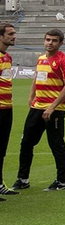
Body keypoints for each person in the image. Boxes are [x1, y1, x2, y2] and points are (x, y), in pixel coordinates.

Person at [14, 28, 65, 192]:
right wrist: (31, 96)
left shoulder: (64, 60)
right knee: (26, 142)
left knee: (56, 145)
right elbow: (36, 78)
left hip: (54, 110)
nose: (50, 43)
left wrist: (52, 107)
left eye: (54, 40)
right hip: (36, 108)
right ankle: (23, 179)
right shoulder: (41, 59)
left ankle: (62, 181)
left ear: (60, 43)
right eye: (48, 40)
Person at [0, 23, 16, 198]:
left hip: (7, 108)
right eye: (10, 34)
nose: (14, 36)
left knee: (2, 149)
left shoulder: (7, 57)